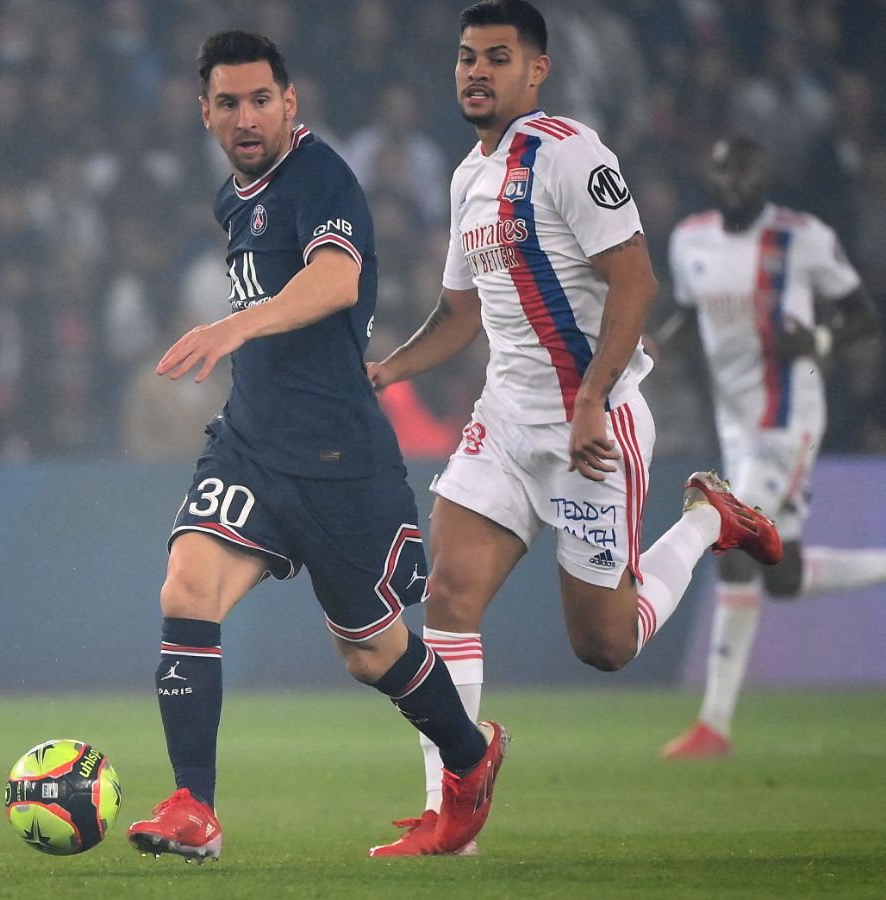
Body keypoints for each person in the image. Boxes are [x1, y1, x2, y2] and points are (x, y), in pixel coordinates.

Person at [363, 0, 781, 856]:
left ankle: (710, 520)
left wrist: (591, 399)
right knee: (447, 596)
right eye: (467, 57)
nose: (477, 71)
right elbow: (459, 312)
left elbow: (636, 283)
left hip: (593, 428)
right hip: (504, 421)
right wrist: (386, 371)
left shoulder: (569, 152)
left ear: (537, 70)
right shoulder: (467, 177)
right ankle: (453, 817)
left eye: (497, 57)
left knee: (606, 645)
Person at [124, 31, 507, 864]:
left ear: (289, 102)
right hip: (252, 445)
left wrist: (234, 326)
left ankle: (470, 757)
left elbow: (335, 280)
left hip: (338, 460)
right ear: (204, 113)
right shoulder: (233, 197)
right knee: (187, 587)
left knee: (369, 651)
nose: (247, 117)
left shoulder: (320, 175)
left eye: (262, 100)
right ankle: (194, 807)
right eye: (229, 103)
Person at [657, 137, 885, 758]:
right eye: (724, 170)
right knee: (783, 576)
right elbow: (690, 315)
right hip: (735, 424)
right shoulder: (690, 241)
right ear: (711, 175)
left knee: (730, 536)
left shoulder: (802, 237)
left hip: (787, 419)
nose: (735, 181)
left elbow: (861, 315)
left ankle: (714, 725)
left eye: (746, 170)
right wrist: (656, 349)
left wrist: (820, 341)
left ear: (764, 174)